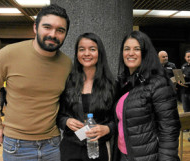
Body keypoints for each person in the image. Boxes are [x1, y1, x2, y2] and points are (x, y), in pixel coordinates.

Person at [0, 4, 72, 161]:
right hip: (17, 145)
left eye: (60, 30)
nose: (53, 34)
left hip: (52, 144)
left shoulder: (66, 63)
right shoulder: (9, 54)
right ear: (35, 28)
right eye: (47, 27)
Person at [113, 31, 180, 161]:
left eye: (137, 49)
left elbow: (169, 130)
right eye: (127, 49)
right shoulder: (124, 83)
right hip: (124, 155)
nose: (130, 53)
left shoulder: (158, 83)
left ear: (145, 53)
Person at [57, 33, 116, 161]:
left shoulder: (111, 85)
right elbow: (58, 115)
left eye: (92, 49)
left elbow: (118, 120)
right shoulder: (67, 82)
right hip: (70, 149)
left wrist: (107, 129)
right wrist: (66, 121)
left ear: (99, 53)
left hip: (98, 150)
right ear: (76, 53)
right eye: (81, 49)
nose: (86, 53)